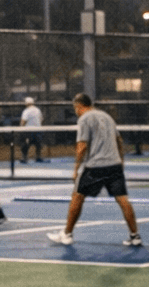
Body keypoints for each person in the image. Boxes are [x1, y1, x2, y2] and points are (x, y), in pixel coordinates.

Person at [47, 94, 143, 247]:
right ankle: (135, 236)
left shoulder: (84, 119)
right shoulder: (107, 117)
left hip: (95, 167)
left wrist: (76, 169)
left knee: (77, 196)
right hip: (114, 165)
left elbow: (82, 147)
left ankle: (67, 234)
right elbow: (119, 141)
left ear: (79, 106)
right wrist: (121, 162)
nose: (76, 112)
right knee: (123, 199)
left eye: (75, 109)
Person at [19, 96, 45, 163]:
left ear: (26, 103)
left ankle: (24, 158)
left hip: (28, 131)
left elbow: (23, 122)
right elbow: (42, 120)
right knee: (38, 145)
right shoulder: (38, 110)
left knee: (25, 144)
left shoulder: (26, 111)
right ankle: (38, 157)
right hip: (38, 130)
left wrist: (21, 129)